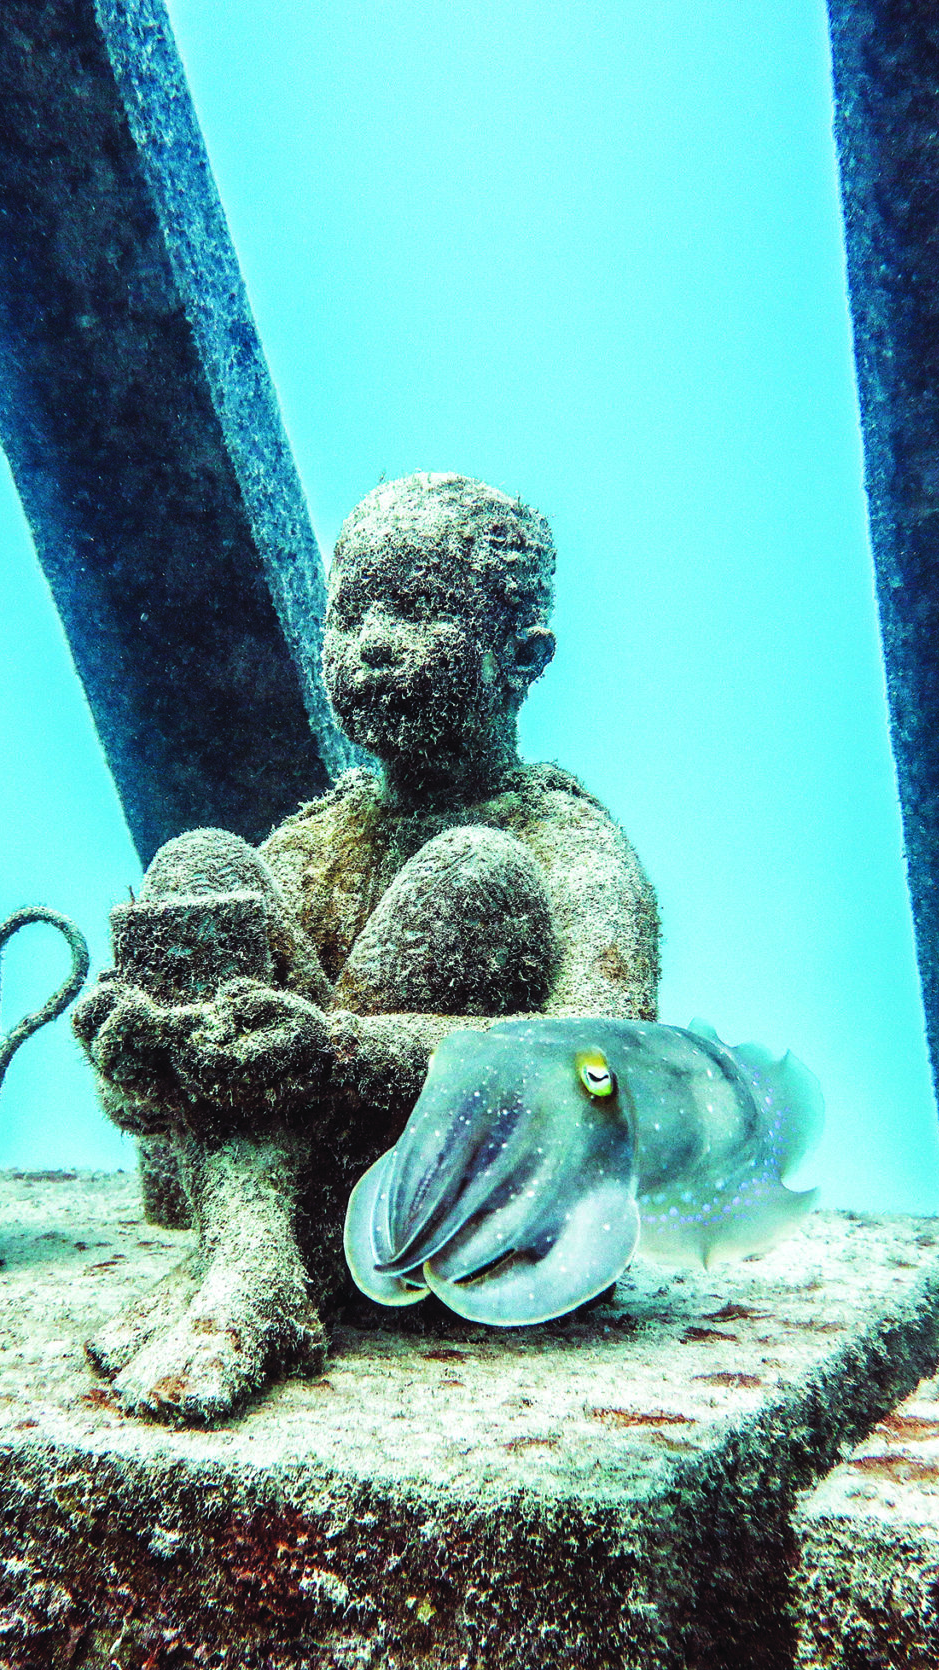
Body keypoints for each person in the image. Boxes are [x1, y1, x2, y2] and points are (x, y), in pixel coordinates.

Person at [72, 471, 660, 1423]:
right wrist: (145, 1058)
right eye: (350, 617)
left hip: (472, 1227)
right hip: (304, 1192)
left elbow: (602, 1059)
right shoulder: (316, 839)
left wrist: (333, 1057)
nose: (374, 644)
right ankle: (254, 1261)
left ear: (523, 654)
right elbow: (184, 1088)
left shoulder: (569, 846)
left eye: (420, 609)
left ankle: (263, 1262)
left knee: (474, 876)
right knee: (200, 866)